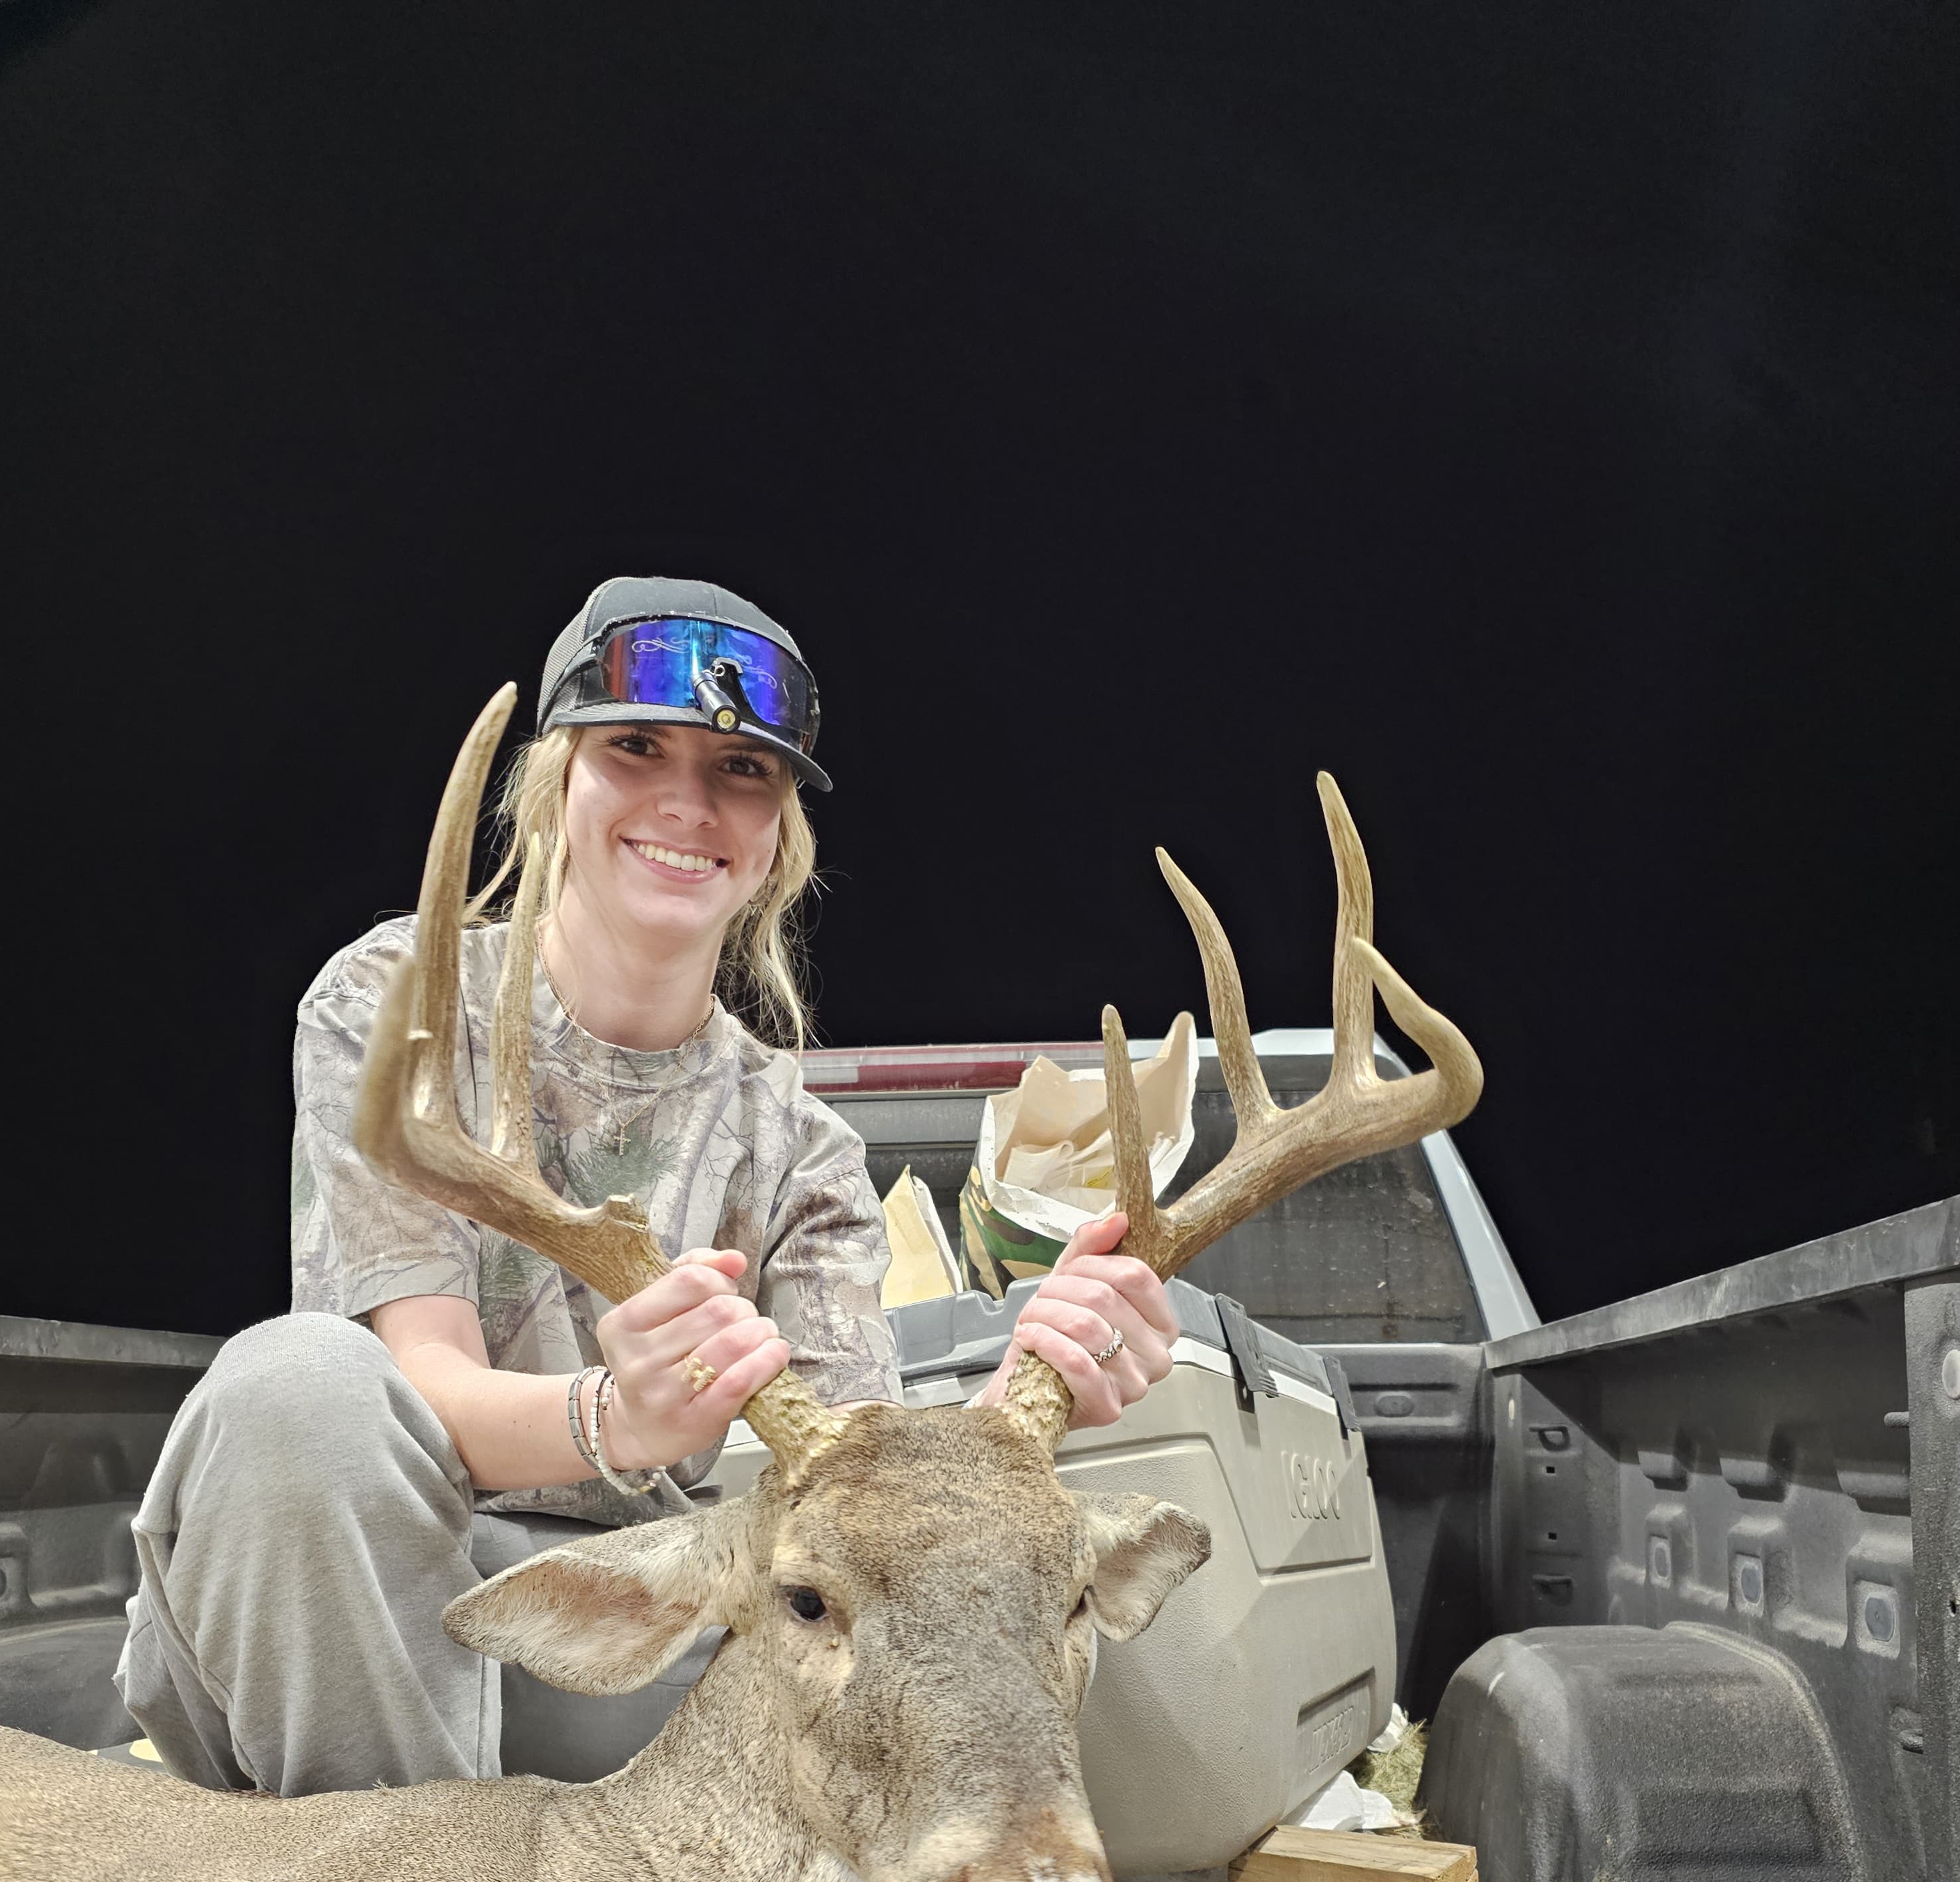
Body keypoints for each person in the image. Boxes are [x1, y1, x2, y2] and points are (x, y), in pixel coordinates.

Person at [115, 576, 1182, 1797]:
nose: (689, 802)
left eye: (744, 770)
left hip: (621, 1653)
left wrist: (1027, 1394)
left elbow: (850, 1491)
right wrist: (612, 1420)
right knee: (293, 1390)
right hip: (357, 1617)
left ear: (779, 831)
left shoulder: (802, 1147)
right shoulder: (397, 1009)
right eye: (635, 748)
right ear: (557, 781)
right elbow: (417, 1383)